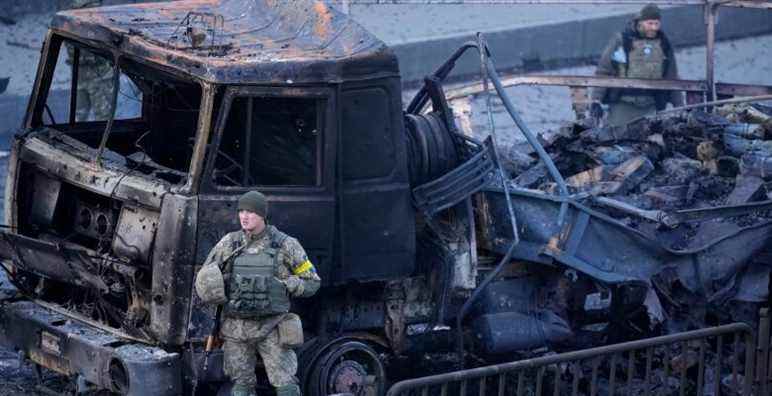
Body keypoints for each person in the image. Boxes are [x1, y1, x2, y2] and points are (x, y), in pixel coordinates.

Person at [195, 191, 321, 396]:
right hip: (236, 329)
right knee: (241, 386)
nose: (244, 216)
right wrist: (218, 287)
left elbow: (312, 282)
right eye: (241, 211)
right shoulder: (230, 243)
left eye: (251, 212)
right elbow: (205, 275)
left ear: (262, 215)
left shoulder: (285, 245)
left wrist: (287, 284)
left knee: (286, 385)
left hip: (272, 327)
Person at [590, 3, 684, 126]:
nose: (654, 28)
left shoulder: (664, 44)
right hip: (623, 104)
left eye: (656, 24)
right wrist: (596, 100)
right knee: (617, 138)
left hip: (652, 105)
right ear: (640, 23)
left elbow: (671, 77)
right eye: (650, 23)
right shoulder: (622, 41)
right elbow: (604, 71)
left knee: (650, 141)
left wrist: (680, 106)